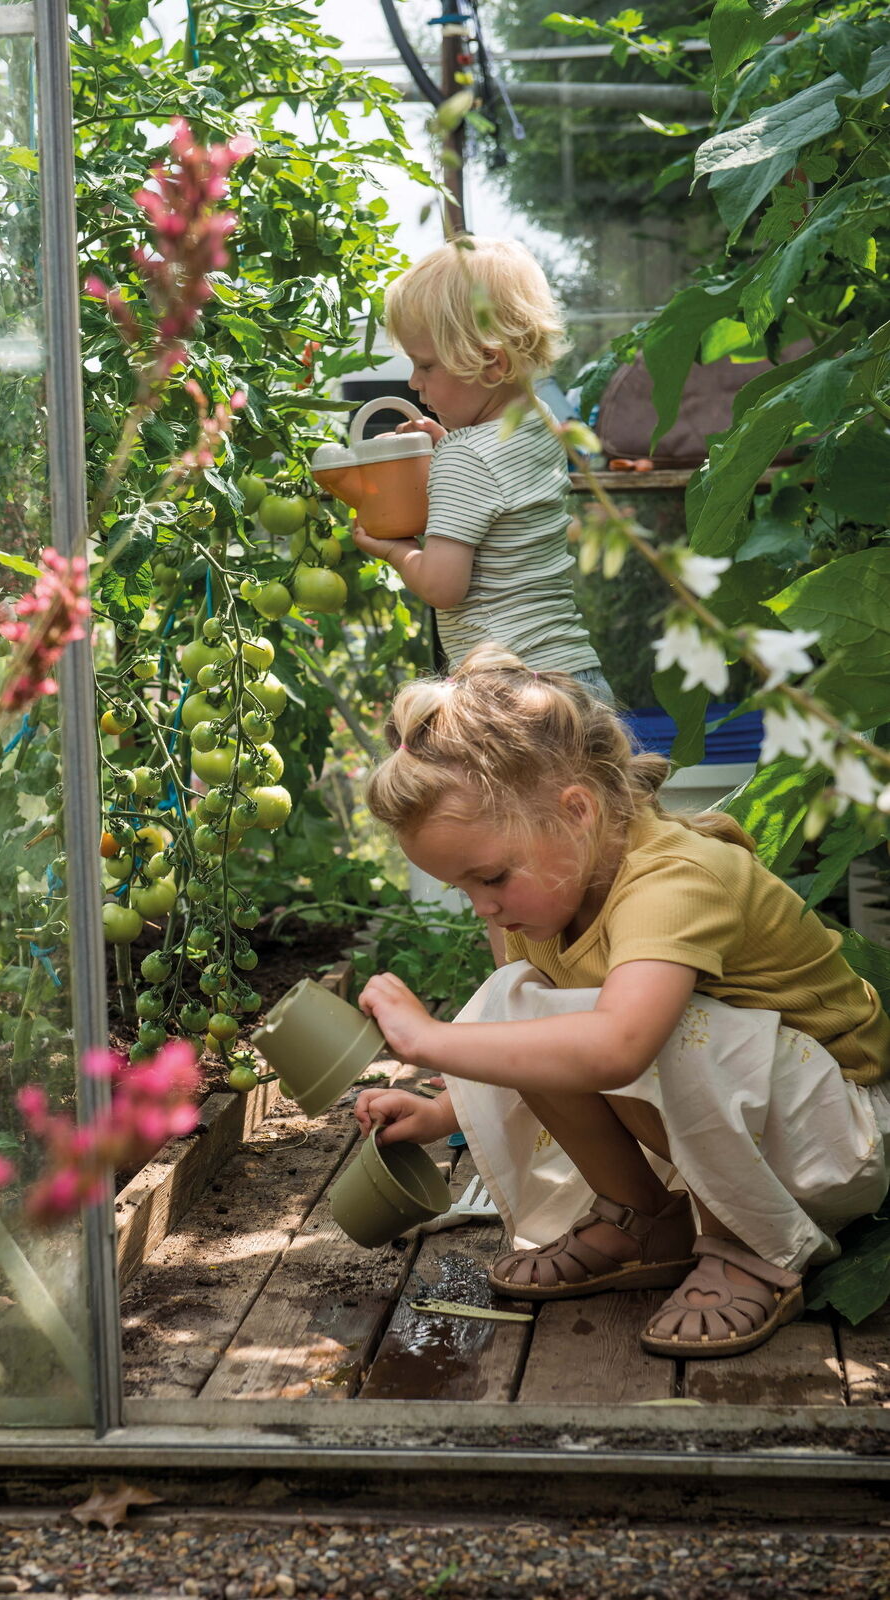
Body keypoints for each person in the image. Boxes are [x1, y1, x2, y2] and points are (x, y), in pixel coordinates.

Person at [352, 646, 890, 1360]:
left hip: (840, 1135)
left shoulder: (675, 880)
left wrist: (426, 1040)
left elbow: (621, 1047)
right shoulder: (551, 899)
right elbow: (541, 1043)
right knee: (517, 999)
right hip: (756, 1125)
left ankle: (746, 1246)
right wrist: (442, 1111)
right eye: (464, 889)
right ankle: (643, 1217)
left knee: (665, 1029)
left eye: (490, 876)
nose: (484, 906)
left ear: (574, 812)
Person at [351, 237, 609, 704]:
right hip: (576, 678)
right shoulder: (542, 426)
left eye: (425, 365)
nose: (413, 381)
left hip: (510, 695)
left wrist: (394, 549)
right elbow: (501, 488)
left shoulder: (464, 458)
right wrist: (448, 443)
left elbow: (442, 586)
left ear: (492, 363)